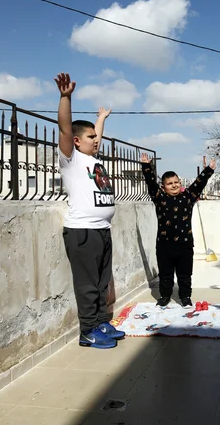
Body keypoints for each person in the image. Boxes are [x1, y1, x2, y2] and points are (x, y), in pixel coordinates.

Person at [55, 72, 125, 349]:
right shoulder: (71, 160)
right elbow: (65, 129)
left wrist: (101, 119)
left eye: (97, 137)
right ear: (76, 141)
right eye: (91, 137)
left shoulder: (91, 159)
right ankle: (88, 332)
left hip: (102, 231)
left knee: (101, 284)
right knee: (86, 286)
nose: (97, 140)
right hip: (82, 231)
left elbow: (96, 137)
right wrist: (65, 97)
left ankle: (100, 323)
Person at [140, 153, 216, 307]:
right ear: (163, 187)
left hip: (185, 245)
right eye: (170, 183)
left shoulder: (188, 197)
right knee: (165, 274)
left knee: (185, 275)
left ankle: (185, 297)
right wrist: (146, 167)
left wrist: (208, 170)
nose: (174, 185)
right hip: (164, 246)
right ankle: (165, 296)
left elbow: (198, 184)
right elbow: (151, 183)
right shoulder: (159, 198)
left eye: (176, 182)